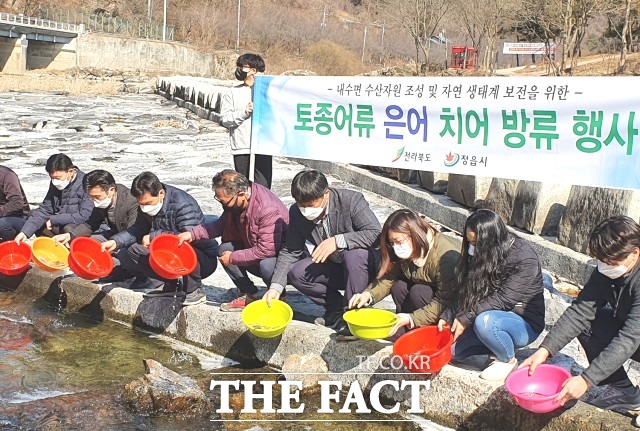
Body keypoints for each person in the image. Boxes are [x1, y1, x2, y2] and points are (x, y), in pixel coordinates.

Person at [521, 216, 640, 412]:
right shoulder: (606, 271)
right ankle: (624, 391)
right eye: (601, 261)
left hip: (635, 334)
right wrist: (544, 350)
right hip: (632, 330)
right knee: (588, 324)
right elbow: (580, 311)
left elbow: (630, 337)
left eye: (610, 261)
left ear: (634, 253)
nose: (605, 266)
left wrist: (587, 379)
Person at [263, 170, 381, 337]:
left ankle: (355, 315)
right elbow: (291, 250)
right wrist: (276, 287)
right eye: (301, 205)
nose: (306, 210)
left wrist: (338, 241)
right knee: (297, 273)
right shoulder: (297, 213)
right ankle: (336, 310)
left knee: (353, 255)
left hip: (364, 269)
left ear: (326, 193)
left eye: (310, 204)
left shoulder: (352, 201)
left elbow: (375, 233)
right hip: (335, 267)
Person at [438, 209, 545, 381]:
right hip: (487, 312)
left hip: (521, 322)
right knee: (451, 353)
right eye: (469, 242)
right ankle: (494, 346)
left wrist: (466, 317)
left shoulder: (524, 257)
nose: (472, 248)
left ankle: (508, 360)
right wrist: (449, 314)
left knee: (486, 323)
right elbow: (470, 290)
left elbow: (505, 298)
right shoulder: (483, 254)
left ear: (490, 240)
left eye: (476, 243)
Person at [178, 170, 288, 311]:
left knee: (266, 265)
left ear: (241, 194)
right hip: (254, 246)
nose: (223, 205)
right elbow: (220, 225)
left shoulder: (267, 209)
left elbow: (266, 250)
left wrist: (233, 258)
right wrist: (192, 234)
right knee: (224, 249)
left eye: (224, 202)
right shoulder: (237, 204)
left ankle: (279, 297)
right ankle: (249, 294)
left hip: (279, 259)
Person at [102, 172, 218, 306]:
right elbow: (138, 228)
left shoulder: (183, 204)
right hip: (168, 252)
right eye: (141, 204)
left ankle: (194, 289)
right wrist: (116, 241)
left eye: (148, 203)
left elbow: (189, 236)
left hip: (200, 257)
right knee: (131, 251)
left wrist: (154, 236)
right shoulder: (145, 208)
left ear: (161, 193)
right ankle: (171, 285)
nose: (145, 207)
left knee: (182, 247)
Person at [349, 209, 461, 336]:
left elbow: (446, 300)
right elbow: (388, 277)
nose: (396, 247)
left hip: (451, 304)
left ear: (414, 235)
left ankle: (428, 331)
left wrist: (412, 318)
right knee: (399, 286)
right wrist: (368, 295)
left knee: (419, 291)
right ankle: (406, 328)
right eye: (392, 243)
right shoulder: (405, 251)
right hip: (428, 293)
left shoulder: (445, 257)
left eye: (399, 241)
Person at [52, 170, 139, 282]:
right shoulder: (101, 203)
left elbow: (133, 231)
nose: (94, 201)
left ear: (111, 190)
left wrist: (115, 242)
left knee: (126, 251)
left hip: (132, 237)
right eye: (91, 197)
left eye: (97, 197)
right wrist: (70, 235)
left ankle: (125, 270)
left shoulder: (131, 201)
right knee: (90, 241)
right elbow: (90, 225)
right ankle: (104, 267)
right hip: (116, 233)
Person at [15, 153, 93, 243]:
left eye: (58, 178)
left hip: (78, 227)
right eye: (52, 178)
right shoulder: (56, 183)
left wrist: (54, 220)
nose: (56, 181)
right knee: (34, 215)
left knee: (68, 228)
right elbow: (45, 209)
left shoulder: (87, 184)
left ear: (70, 172)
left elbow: (85, 216)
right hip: (61, 223)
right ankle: (51, 247)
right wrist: (24, 233)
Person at [220, 53, 272, 189]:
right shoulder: (232, 92)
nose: (238, 69)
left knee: (263, 190)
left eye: (242, 66)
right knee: (242, 189)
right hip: (241, 148)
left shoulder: (268, 92)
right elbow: (225, 119)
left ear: (253, 70)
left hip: (263, 148)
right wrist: (244, 113)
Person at [0, 165, 30, 242]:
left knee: (2, 224)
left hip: (18, 216)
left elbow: (17, 203)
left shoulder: (7, 175)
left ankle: (12, 245)